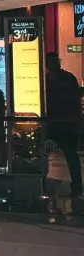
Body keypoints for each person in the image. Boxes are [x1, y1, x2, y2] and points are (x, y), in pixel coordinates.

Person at [45, 52, 83, 198]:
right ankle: (75, 186)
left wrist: (76, 122)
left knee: (71, 156)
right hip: (57, 123)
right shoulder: (65, 78)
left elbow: (75, 102)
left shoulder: (63, 79)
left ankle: (76, 186)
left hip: (64, 123)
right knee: (70, 156)